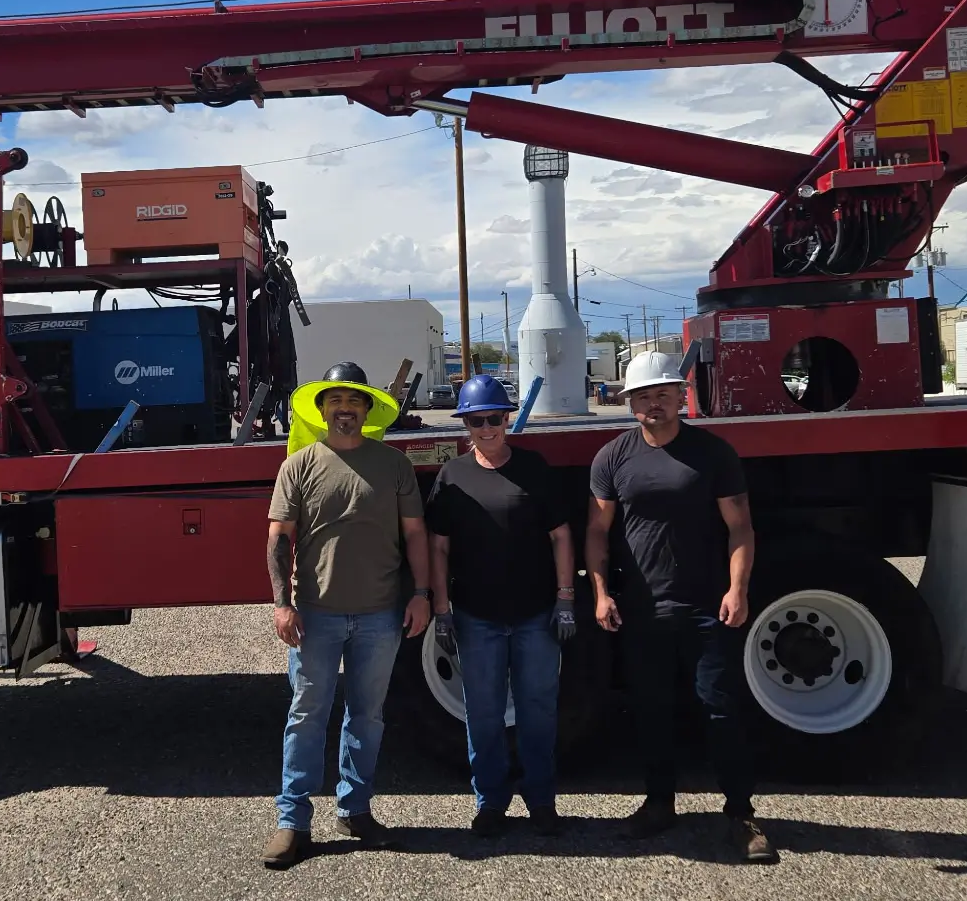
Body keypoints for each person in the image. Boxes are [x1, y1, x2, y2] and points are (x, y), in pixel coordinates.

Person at [584, 350, 778, 864]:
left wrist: (737, 590)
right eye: (644, 396)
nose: (654, 404)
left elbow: (740, 527)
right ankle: (658, 803)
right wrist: (602, 593)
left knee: (719, 707)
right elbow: (597, 532)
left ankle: (740, 814)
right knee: (650, 710)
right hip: (642, 609)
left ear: (680, 397)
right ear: (629, 403)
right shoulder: (613, 458)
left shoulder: (712, 453)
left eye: (663, 394)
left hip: (705, 606)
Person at [261, 362, 432, 869]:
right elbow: (277, 538)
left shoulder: (393, 464)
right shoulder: (300, 464)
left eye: (355, 402)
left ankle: (354, 810)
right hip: (316, 616)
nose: (345, 410)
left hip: (381, 615)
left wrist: (421, 593)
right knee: (306, 717)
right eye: (336, 402)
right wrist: (281, 604)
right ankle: (292, 822)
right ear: (322, 410)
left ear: (367, 410)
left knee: (368, 716)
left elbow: (416, 535)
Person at [425, 375, 576, 838]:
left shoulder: (534, 468)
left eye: (493, 418)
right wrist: (442, 610)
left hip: (534, 616)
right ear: (465, 425)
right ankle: (490, 802)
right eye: (476, 420)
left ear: (508, 419)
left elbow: (561, 537)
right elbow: (439, 550)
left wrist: (566, 600)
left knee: (538, 712)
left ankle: (541, 801)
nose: (486, 427)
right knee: (484, 715)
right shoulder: (452, 476)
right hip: (476, 619)